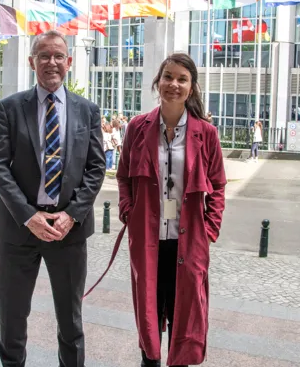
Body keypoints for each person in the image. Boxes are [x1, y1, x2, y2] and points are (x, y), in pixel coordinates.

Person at [0, 30, 106, 367]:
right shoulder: (10, 108)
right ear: (32, 62)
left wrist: (72, 214)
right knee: (12, 323)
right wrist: (28, 215)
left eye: (58, 56)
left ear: (69, 62)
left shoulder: (87, 111)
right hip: (17, 231)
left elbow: (96, 167)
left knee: (71, 324)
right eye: (43, 55)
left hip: (68, 232)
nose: (51, 62)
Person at [117, 52, 227, 367]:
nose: (173, 84)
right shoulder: (138, 128)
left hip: (188, 242)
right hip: (148, 241)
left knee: (184, 316)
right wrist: (128, 211)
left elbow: (218, 185)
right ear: (158, 82)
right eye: (168, 77)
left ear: (191, 88)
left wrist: (209, 229)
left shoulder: (206, 133)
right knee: (149, 314)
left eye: (182, 79)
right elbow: (123, 176)